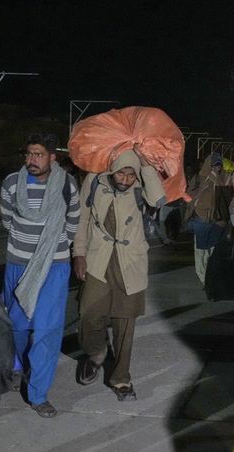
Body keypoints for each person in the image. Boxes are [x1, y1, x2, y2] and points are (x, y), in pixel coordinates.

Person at [72, 148, 165, 401]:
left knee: (126, 325)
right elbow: (81, 218)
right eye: (120, 173)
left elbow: (158, 201)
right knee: (88, 314)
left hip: (130, 262)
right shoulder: (95, 181)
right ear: (112, 170)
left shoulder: (140, 188)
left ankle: (121, 378)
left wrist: (146, 167)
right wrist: (78, 253)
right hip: (98, 258)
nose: (125, 180)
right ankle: (96, 352)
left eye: (130, 175)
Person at [0, 133, 80, 418]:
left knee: (47, 330)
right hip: (18, 264)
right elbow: (7, 219)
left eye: (39, 154)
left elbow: (73, 224)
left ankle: (38, 394)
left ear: (52, 157)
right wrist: (27, 247)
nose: (32, 160)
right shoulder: (11, 183)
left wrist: (52, 249)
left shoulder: (67, 186)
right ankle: (18, 366)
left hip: (53, 267)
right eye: (29, 154)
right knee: (17, 327)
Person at [187, 153, 229, 285]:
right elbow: (189, 197)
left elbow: (228, 198)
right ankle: (204, 279)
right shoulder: (199, 179)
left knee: (213, 251)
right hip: (201, 219)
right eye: (214, 165)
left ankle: (211, 278)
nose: (217, 168)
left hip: (218, 220)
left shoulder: (225, 178)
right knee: (201, 251)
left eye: (219, 165)